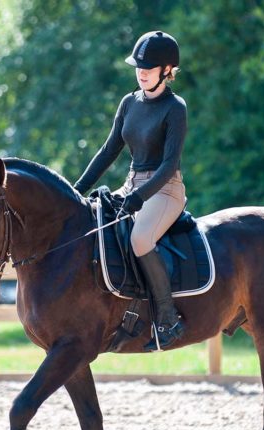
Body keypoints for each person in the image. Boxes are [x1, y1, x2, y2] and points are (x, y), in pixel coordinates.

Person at [72, 30, 188, 351]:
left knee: (140, 239)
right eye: (138, 67)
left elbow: (168, 165)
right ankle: (122, 313)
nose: (141, 73)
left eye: (148, 68)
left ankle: (167, 318)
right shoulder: (128, 102)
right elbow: (109, 151)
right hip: (131, 184)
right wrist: (77, 190)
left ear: (167, 71)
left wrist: (139, 197)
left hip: (164, 190)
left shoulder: (175, 108)